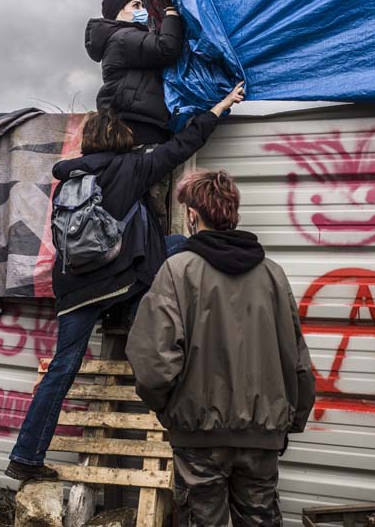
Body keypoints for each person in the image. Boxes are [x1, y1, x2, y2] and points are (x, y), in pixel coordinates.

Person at [4, 83, 245, 482]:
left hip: (74, 289)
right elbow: (185, 144)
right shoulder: (131, 168)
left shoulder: (69, 181)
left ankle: (25, 457)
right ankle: (136, 316)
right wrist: (220, 106)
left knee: (63, 368)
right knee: (181, 243)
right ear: (121, 140)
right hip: (120, 281)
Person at [126, 170, 316, 527]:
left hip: (198, 437)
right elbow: (297, 360)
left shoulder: (177, 271)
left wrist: (171, 411)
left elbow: (154, 364)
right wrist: (290, 420)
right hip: (263, 437)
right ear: (233, 213)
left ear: (193, 216)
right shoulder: (273, 274)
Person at [86, 0, 184, 146]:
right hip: (138, 123)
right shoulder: (124, 37)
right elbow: (166, 48)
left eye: (143, 6)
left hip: (135, 119)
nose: (143, 10)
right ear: (118, 12)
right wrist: (171, 14)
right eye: (136, 5)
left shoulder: (124, 37)